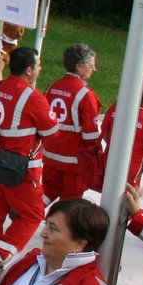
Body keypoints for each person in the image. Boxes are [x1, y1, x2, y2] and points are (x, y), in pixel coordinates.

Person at [0, 46, 58, 267]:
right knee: (33, 215)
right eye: (38, 66)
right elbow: (52, 132)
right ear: (29, 70)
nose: (40, 69)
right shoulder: (33, 97)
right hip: (21, 169)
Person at [39, 43, 101, 204]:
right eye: (92, 66)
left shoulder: (52, 87)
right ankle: (59, 227)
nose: (94, 69)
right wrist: (96, 156)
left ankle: (27, 212)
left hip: (50, 153)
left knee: (48, 189)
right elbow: (91, 134)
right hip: (74, 159)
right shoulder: (86, 95)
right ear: (80, 66)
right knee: (70, 199)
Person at [98, 75, 143, 193]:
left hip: (109, 161)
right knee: (128, 201)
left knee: (109, 195)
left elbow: (104, 132)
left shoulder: (115, 108)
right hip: (131, 168)